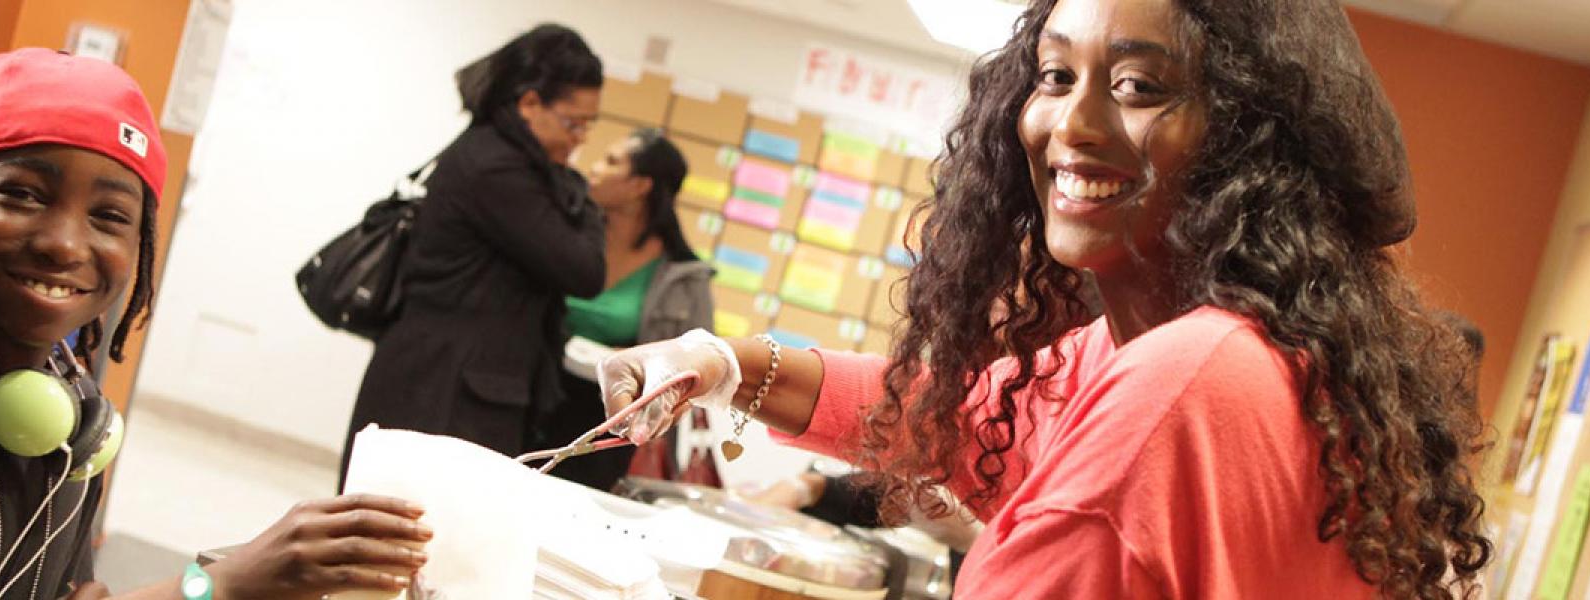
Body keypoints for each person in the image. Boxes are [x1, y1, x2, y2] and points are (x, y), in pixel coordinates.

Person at [595, 0, 1491, 597]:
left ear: (1247, 141)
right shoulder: (1210, 352)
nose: (1072, 124)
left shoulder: (1181, 386)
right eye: (1057, 76)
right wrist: (721, 363)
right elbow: (944, 414)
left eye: (1139, 87)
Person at [0, 48, 431, 600]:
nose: (66, 244)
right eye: (22, 194)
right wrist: (220, 584)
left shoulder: (72, 415)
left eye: (109, 216)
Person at [344, 24, 608, 483]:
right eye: (573, 123)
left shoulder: (495, 155)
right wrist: (580, 189)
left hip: (447, 379)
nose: (581, 137)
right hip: (444, 390)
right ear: (529, 103)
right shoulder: (497, 169)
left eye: (589, 124)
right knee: (405, 521)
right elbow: (584, 270)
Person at [542, 128, 714, 491]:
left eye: (611, 162)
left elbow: (699, 362)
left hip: (609, 422)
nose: (594, 169)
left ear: (639, 186)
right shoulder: (566, 236)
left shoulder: (684, 276)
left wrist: (642, 360)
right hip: (534, 393)